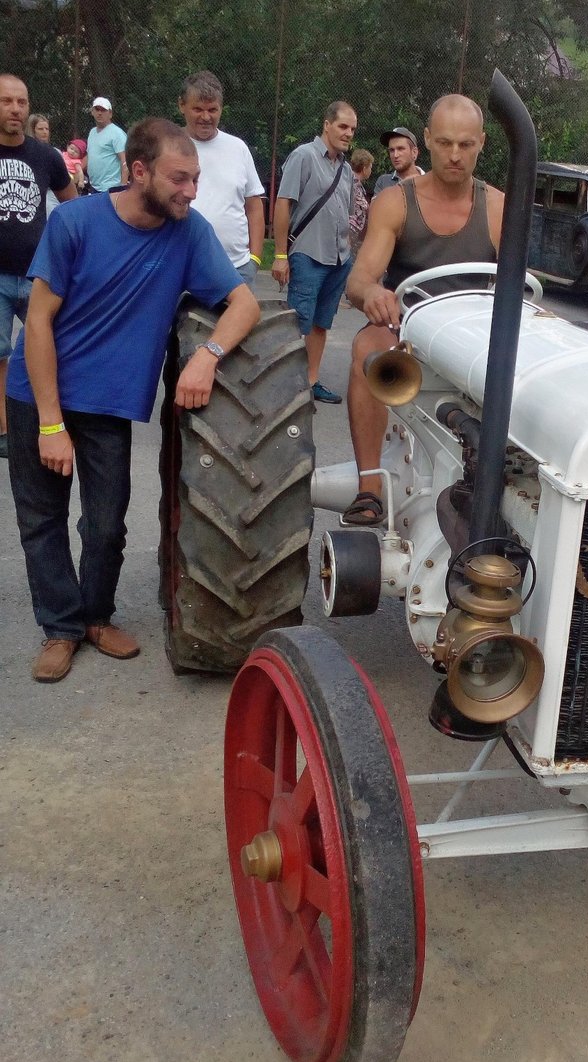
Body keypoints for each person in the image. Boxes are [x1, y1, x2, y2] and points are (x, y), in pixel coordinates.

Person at [4, 117, 260, 683]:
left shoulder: (188, 231)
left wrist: (207, 354)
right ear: (138, 171)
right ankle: (61, 627)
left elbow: (245, 304)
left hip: (107, 406)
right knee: (42, 519)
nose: (191, 192)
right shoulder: (73, 222)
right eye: (180, 179)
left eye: (196, 179)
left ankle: (96, 616)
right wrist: (50, 424)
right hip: (39, 393)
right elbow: (38, 324)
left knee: (107, 524)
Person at [341, 94, 502, 526]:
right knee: (367, 348)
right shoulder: (395, 202)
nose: (454, 155)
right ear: (426, 140)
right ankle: (370, 486)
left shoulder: (499, 208)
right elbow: (359, 280)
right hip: (406, 329)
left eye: (465, 145)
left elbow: (520, 286)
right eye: (445, 142)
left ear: (481, 143)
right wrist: (373, 293)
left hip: (474, 334)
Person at [0, 74, 76, 460]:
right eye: (6, 101)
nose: (15, 109)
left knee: (44, 345)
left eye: (21, 102)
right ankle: (4, 429)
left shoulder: (45, 156)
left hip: (38, 273)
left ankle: (47, 421)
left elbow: (72, 205)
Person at [272, 101, 357, 405]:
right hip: (308, 254)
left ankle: (310, 382)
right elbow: (284, 203)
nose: (348, 133)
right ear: (327, 125)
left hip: (338, 258)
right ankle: (288, 386)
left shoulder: (346, 169)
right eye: (342, 126)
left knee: (321, 322)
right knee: (298, 323)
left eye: (352, 129)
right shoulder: (304, 156)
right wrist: (281, 254)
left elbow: (345, 216)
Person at [178, 70, 265, 289]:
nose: (205, 117)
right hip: (180, 265)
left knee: (239, 324)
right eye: (198, 109)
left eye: (212, 110)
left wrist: (254, 260)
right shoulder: (169, 146)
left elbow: (254, 207)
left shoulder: (238, 148)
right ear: (182, 106)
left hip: (236, 268)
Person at [86, 96, 127, 192]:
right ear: (92, 111)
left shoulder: (117, 133)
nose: (100, 113)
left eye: (103, 110)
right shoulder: (92, 132)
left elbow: (125, 162)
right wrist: (77, 168)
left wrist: (122, 189)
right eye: (97, 109)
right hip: (93, 188)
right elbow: (90, 156)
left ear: (110, 113)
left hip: (111, 189)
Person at [372, 126, 424, 195]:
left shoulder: (431, 182)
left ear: (414, 152)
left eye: (400, 149)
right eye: (392, 150)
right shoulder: (383, 182)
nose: (395, 155)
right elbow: (376, 206)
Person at [349, 148, 374, 255]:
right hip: (349, 232)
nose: (371, 171)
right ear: (364, 169)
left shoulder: (356, 184)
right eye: (370, 168)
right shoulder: (352, 183)